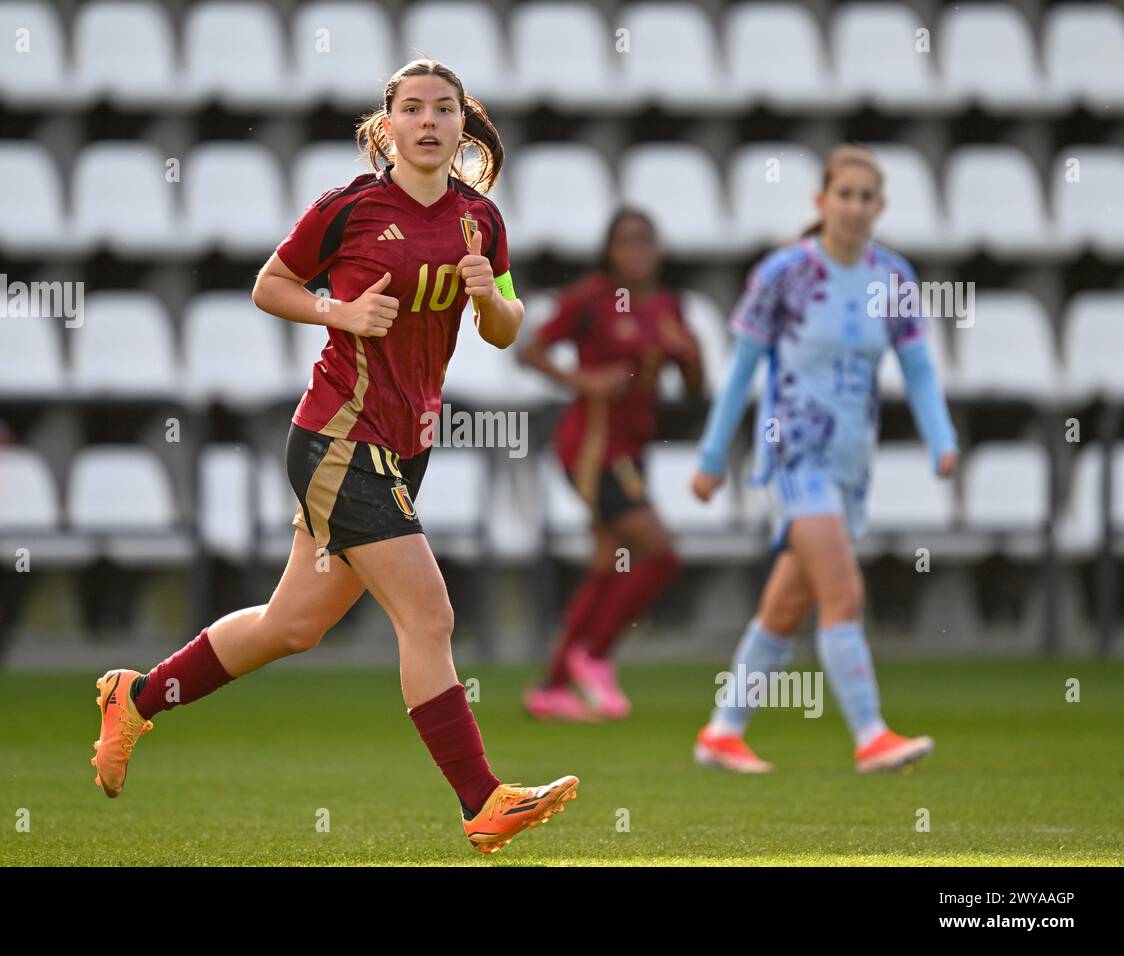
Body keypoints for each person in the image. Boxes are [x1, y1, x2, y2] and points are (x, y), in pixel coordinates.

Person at [90, 60, 578, 855]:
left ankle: (136, 698)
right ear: (387, 126)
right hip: (338, 439)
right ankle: (482, 801)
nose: (428, 121)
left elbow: (506, 327)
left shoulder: (481, 219)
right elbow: (270, 285)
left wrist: (491, 298)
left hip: (405, 447)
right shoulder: (348, 208)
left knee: (290, 626)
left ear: (463, 124)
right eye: (412, 109)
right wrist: (339, 310)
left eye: (443, 109)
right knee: (429, 614)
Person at [691, 144, 958, 774]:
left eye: (867, 197)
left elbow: (918, 369)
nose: (855, 206)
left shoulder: (892, 277)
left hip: (850, 461)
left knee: (788, 605)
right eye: (845, 194)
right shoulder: (784, 274)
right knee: (843, 591)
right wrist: (712, 457)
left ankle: (723, 732)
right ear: (822, 201)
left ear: (880, 207)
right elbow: (741, 373)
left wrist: (941, 439)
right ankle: (871, 734)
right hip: (794, 453)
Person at [520, 209, 701, 720]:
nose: (637, 251)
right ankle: (594, 655)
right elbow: (529, 352)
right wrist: (584, 381)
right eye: (627, 241)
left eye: (646, 241)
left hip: (634, 448)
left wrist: (691, 356)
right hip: (593, 447)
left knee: (607, 563)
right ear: (610, 250)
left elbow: (693, 388)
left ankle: (553, 686)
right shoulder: (591, 298)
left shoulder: (666, 306)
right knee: (660, 553)